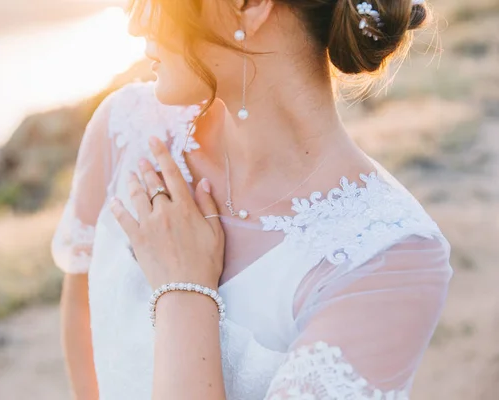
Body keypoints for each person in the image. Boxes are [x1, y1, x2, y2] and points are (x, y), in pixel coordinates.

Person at [52, 0, 453, 398]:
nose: (136, 24)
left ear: (251, 5)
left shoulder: (388, 259)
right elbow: (83, 318)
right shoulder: (127, 128)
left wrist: (184, 291)